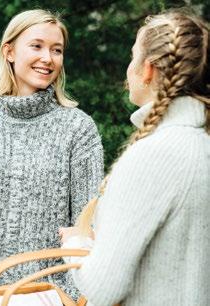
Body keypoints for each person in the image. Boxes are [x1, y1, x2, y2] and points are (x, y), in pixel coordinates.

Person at [0, 9, 104, 298]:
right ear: (9, 51)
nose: (48, 58)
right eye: (37, 46)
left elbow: (87, 223)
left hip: (48, 291)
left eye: (57, 50)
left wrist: (70, 293)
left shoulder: (78, 127)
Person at [59, 10, 210, 305]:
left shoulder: (151, 157)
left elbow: (102, 288)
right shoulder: (202, 145)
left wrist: (76, 243)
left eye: (132, 56)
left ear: (148, 70)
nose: (128, 69)